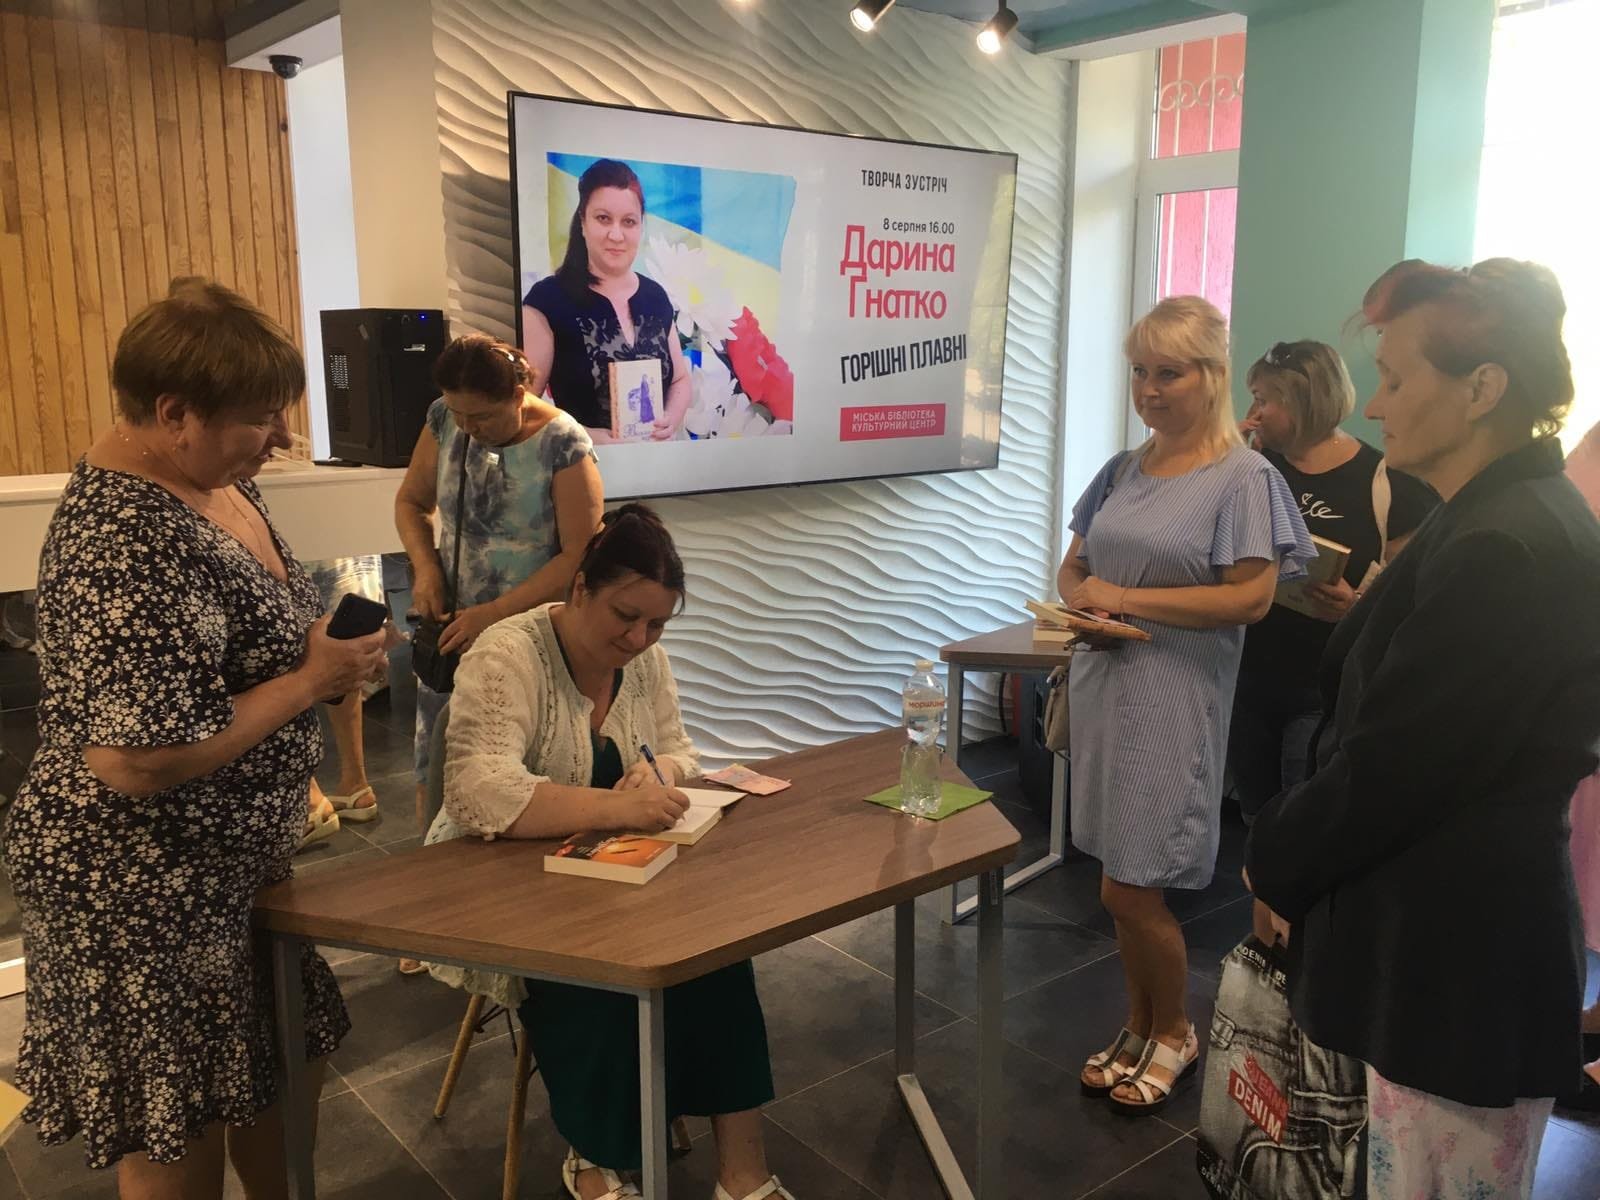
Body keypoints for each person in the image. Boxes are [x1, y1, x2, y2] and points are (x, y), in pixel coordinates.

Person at [1, 279, 390, 1195]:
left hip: (232, 868)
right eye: (260, 418)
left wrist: (321, 652)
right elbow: (135, 760)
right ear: (175, 413)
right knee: (179, 1134)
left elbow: (235, 644)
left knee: (279, 1073)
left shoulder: (214, 481)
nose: (280, 438)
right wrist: (310, 681)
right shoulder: (119, 540)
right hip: (140, 885)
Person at [1245, 258, 1600, 1198]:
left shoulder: (1507, 544)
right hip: (1438, 944)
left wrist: (1275, 853)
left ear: (1482, 389)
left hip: (1459, 965)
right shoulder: (1492, 515)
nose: (1374, 406)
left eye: (1396, 380)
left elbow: (1395, 765)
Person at [427, 504, 794, 1200]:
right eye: (626, 616)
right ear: (580, 587)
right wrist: (619, 806)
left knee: (716, 956)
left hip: (609, 871)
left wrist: (660, 775)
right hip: (502, 880)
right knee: (597, 977)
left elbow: (678, 748)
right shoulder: (507, 653)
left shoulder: (643, 659)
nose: (639, 638)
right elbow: (477, 790)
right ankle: (595, 1159)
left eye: (657, 624)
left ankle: (743, 1172)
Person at [1060, 296, 1314, 1117]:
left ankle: (1174, 1030)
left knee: (1135, 888)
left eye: (1168, 373)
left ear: (1211, 375)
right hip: (1108, 687)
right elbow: (1075, 567)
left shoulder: (1243, 478)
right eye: (1140, 371)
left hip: (1174, 700)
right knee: (1115, 879)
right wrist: (1086, 605)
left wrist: (1124, 599)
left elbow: (1249, 598)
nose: (1149, 389)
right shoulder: (1123, 469)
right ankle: (1138, 1022)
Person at [394, 333, 603, 971]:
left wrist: (492, 612)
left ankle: (510, 921)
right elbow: (411, 502)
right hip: (453, 632)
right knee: (440, 764)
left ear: (519, 392)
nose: (467, 428)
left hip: (531, 638)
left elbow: (580, 556)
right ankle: (434, 916)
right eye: (457, 413)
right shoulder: (443, 420)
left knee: (513, 772)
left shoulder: (564, 444)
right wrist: (425, 568)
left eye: (482, 415)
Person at [1229, 341, 1437, 823]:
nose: (1253, 414)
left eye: (1263, 399)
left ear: (1302, 401)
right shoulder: (1252, 466)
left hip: (1325, 688)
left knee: (1304, 824)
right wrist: (1223, 463)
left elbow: (1414, 593)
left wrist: (1355, 603)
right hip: (1246, 678)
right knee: (1256, 821)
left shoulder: (1388, 481)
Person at [521, 158, 692, 445]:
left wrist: (671, 419)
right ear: (582, 222)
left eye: (629, 222)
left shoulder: (656, 296)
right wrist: (583, 435)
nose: (616, 234)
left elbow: (680, 380)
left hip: (657, 465)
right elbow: (524, 408)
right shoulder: (547, 300)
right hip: (580, 465)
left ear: (640, 227)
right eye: (603, 218)